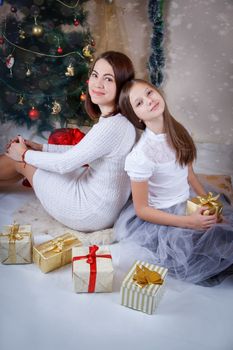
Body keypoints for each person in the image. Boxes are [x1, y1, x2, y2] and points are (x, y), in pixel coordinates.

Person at [113, 78, 233, 285]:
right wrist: (189, 222)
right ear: (136, 117)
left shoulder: (176, 132)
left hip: (188, 200)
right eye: (139, 103)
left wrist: (209, 205)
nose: (149, 101)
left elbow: (190, 176)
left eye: (149, 93)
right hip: (164, 218)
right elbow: (142, 209)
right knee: (209, 253)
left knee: (224, 231)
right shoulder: (141, 156)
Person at [1, 51, 136, 232]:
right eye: (95, 75)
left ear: (122, 85)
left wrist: (24, 154)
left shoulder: (112, 126)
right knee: (26, 158)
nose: (98, 84)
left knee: (18, 161)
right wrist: (42, 148)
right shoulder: (118, 121)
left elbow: (64, 164)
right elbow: (80, 151)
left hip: (87, 212)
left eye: (108, 79)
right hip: (101, 207)